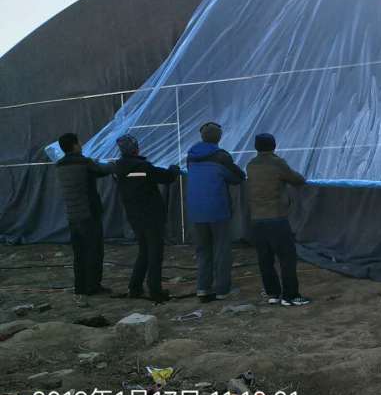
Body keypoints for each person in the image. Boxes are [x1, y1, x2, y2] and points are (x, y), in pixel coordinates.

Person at [245, 133, 310, 307]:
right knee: (287, 258)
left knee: (264, 258)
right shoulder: (277, 163)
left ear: (256, 147)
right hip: (276, 218)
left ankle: (272, 293)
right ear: (274, 146)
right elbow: (298, 180)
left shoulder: (250, 165)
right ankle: (291, 296)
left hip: (256, 219)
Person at [114, 134, 181, 303]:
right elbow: (167, 177)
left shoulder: (118, 168)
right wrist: (174, 168)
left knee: (144, 251)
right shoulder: (143, 167)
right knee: (155, 253)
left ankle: (135, 287)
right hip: (151, 216)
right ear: (136, 149)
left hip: (135, 216)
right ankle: (155, 291)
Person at [186, 122, 246, 302]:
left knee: (203, 250)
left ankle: (203, 289)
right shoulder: (221, 157)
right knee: (222, 250)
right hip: (217, 210)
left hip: (196, 210)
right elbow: (238, 177)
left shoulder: (191, 156)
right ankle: (222, 289)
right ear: (218, 137)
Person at [55, 133, 115, 306]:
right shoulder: (83, 162)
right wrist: (113, 164)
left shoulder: (60, 165)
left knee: (79, 253)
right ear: (74, 145)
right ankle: (93, 286)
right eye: (79, 142)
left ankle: (80, 286)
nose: (81, 145)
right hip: (89, 214)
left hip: (72, 215)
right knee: (94, 251)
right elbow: (102, 170)